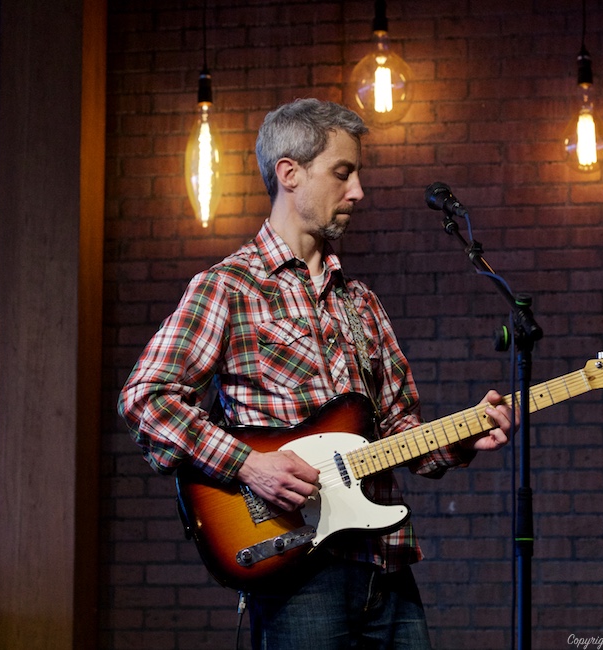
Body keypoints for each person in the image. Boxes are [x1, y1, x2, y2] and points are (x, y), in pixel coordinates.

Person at [118, 98, 515, 649]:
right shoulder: (228, 287)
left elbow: (404, 435)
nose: (357, 192)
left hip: (386, 565)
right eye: (343, 172)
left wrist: (465, 436)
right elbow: (146, 398)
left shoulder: (363, 303)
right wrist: (251, 466)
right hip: (296, 569)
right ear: (290, 173)